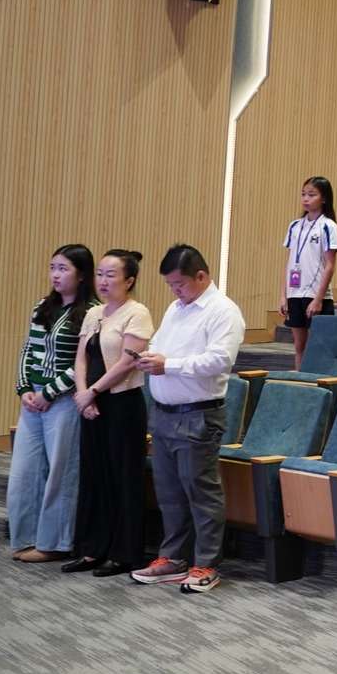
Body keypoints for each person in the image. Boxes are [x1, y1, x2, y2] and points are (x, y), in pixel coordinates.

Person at [131, 244, 247, 593]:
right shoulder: (175, 308)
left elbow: (218, 361)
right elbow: (164, 346)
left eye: (179, 284)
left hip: (198, 415)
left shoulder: (223, 311)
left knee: (201, 492)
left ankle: (206, 563)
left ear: (201, 276)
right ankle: (173, 557)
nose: (174, 291)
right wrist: (149, 357)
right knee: (169, 492)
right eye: (170, 285)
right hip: (164, 413)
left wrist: (169, 365)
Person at [66, 249, 152, 577]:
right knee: (94, 475)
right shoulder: (94, 313)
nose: (103, 281)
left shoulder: (138, 312)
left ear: (129, 280)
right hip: (90, 404)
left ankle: (124, 552)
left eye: (111, 275)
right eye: (100, 274)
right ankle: (92, 549)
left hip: (122, 404)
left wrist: (93, 392)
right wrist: (82, 395)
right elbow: (82, 357)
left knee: (123, 477)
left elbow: (128, 361)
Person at [10, 245, 95, 564]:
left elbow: (84, 361)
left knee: (62, 470)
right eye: (52, 268)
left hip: (62, 401)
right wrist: (23, 389)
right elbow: (27, 351)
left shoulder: (91, 312)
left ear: (81, 274)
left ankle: (55, 542)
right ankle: (26, 536)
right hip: (32, 400)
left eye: (63, 269)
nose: (55, 275)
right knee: (25, 471)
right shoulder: (43, 306)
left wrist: (50, 392)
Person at [280, 176, 337, 370]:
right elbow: (290, 263)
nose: (306, 198)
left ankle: (318, 384)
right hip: (295, 292)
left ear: (323, 198)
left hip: (316, 294)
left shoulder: (328, 226)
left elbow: (330, 265)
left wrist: (318, 299)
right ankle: (299, 380)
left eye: (311, 195)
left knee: (319, 346)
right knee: (299, 345)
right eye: (303, 194)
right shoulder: (294, 226)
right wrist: (284, 295)